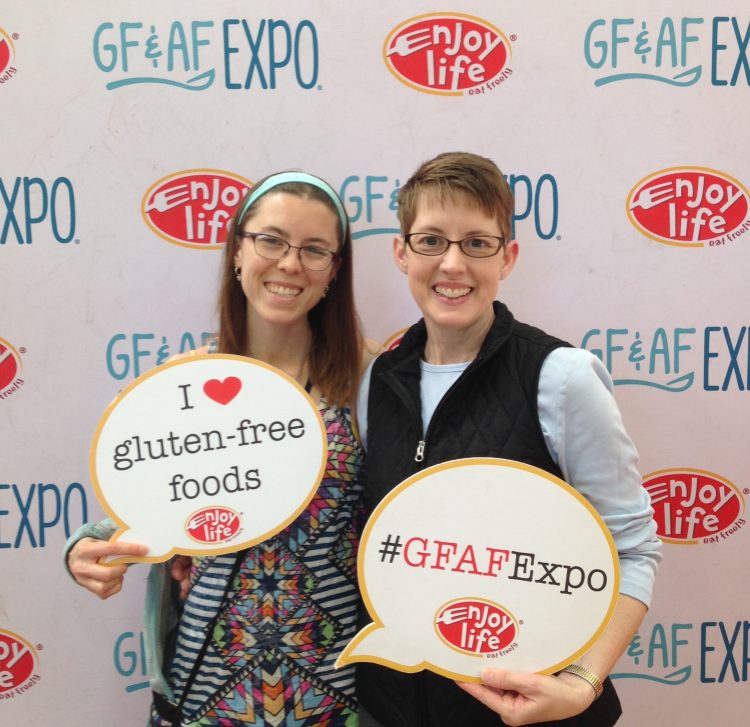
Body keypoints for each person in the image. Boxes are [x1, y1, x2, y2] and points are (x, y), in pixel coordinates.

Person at [355, 152, 662, 726]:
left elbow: (634, 550)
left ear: (508, 257)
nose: (452, 264)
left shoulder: (560, 376)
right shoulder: (379, 379)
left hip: (531, 713)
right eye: (430, 241)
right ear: (401, 252)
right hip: (391, 708)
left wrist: (583, 684)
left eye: (477, 243)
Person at [66, 171, 376, 726]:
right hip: (207, 690)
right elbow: (131, 516)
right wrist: (86, 551)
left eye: (314, 250)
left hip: (340, 694)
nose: (288, 264)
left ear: (334, 270)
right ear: (238, 251)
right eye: (271, 240)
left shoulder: (370, 381)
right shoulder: (175, 388)